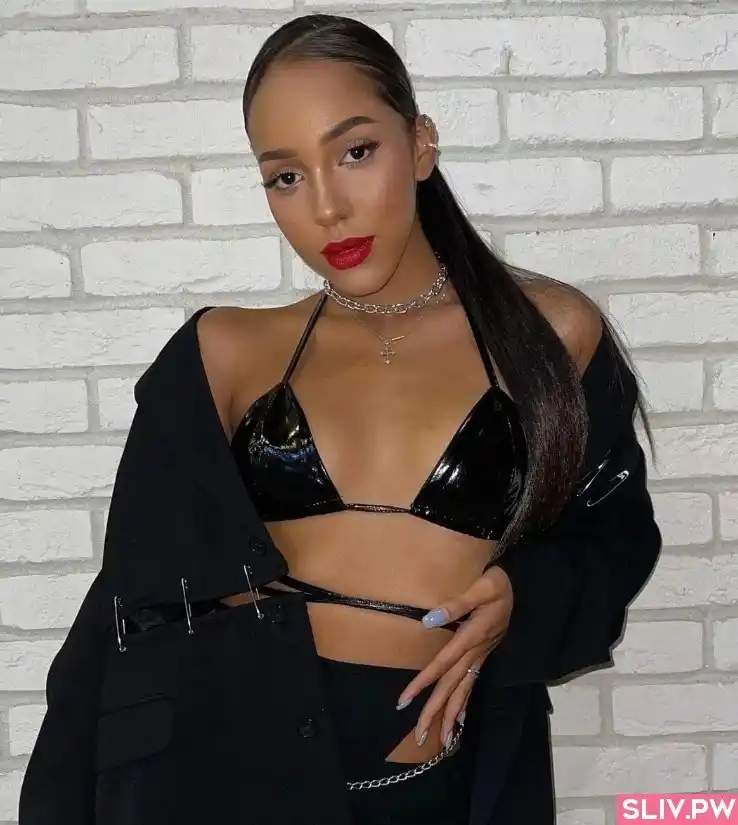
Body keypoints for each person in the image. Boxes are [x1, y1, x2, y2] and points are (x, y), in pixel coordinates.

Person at [18, 13, 662, 825]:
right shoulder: (225, 352)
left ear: (420, 144)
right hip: (229, 783)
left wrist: (520, 593)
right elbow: (127, 608)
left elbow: (614, 535)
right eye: (285, 176)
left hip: (439, 788)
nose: (326, 207)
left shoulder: (549, 335)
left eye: (355, 152)